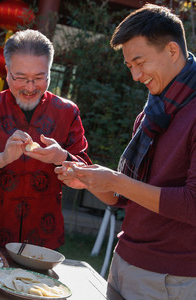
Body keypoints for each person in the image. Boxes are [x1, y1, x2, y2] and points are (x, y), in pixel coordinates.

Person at [55, 4, 195, 300]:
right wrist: (91, 181)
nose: (135, 75)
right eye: (129, 66)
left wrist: (116, 181)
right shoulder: (152, 112)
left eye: (140, 62)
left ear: (172, 51)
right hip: (125, 259)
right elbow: (125, 197)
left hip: (171, 277)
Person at [0, 29, 91, 249]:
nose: (30, 87)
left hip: (42, 237)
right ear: (7, 72)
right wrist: (1, 158)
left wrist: (62, 157)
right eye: (21, 78)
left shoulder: (67, 112)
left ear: (49, 72)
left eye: (39, 78)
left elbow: (86, 174)